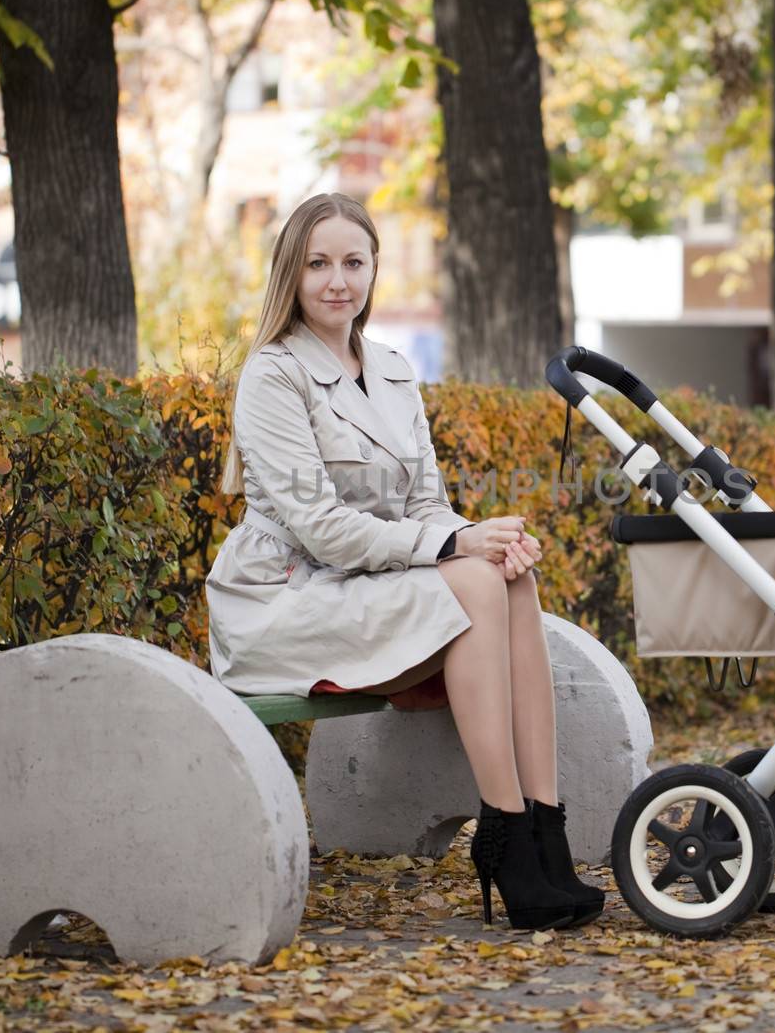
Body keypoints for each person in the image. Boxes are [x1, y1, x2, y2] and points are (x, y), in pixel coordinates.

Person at [207, 192, 602, 930]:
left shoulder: (390, 369)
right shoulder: (272, 374)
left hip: (365, 587)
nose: (337, 281)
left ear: (373, 270)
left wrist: (483, 534)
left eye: (353, 262)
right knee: (477, 577)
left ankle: (548, 837)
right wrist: (456, 546)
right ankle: (507, 836)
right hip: (287, 600)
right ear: (291, 273)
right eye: (318, 263)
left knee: (509, 572)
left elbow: (427, 503)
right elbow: (322, 529)